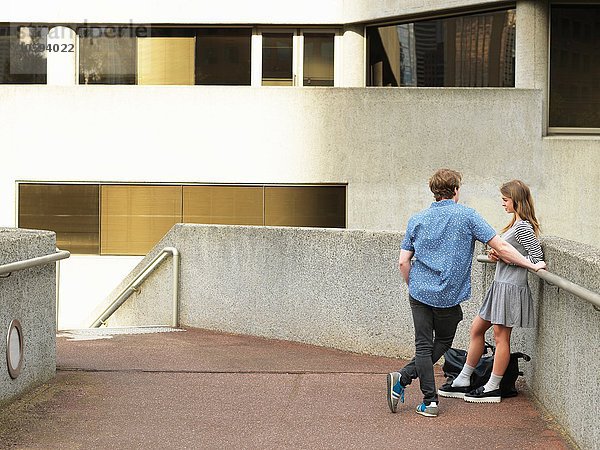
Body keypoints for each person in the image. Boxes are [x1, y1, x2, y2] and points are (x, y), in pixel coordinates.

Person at [387, 169, 546, 418]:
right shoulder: (468, 216)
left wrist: (413, 287)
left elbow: (403, 262)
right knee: (441, 342)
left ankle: (413, 386)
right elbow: (501, 245)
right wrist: (531, 265)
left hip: (419, 293)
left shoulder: (416, 219)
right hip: (448, 296)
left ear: (433, 191)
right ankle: (426, 398)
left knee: (423, 345)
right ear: (456, 190)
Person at [438, 179, 544, 403]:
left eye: (505, 200)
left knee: (501, 336)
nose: (502, 204)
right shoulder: (513, 225)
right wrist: (499, 257)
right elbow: (513, 254)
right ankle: (464, 379)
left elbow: (536, 260)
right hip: (500, 285)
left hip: (511, 287)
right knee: (477, 329)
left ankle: (493, 387)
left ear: (516, 200)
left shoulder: (524, 226)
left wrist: (506, 257)